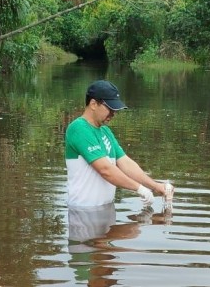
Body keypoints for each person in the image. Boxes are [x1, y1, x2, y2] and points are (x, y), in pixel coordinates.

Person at [65, 80, 173, 208]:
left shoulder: (105, 131)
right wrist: (139, 189)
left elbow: (125, 163)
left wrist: (155, 186)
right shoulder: (78, 129)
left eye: (115, 110)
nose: (113, 114)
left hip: (106, 208)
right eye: (110, 108)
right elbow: (105, 170)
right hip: (83, 211)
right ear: (93, 104)